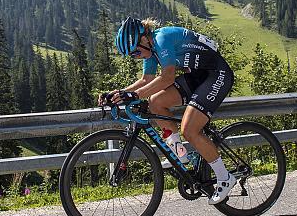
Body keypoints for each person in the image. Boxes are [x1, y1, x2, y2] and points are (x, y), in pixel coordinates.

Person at [101, 16, 236, 205]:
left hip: (216, 74)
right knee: (155, 102)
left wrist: (135, 95)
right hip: (197, 76)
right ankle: (181, 155)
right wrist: (120, 93)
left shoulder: (161, 39)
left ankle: (225, 177)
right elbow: (146, 80)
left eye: (135, 52)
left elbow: (167, 77)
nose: (136, 57)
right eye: (132, 56)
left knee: (189, 129)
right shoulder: (151, 49)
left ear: (143, 39)